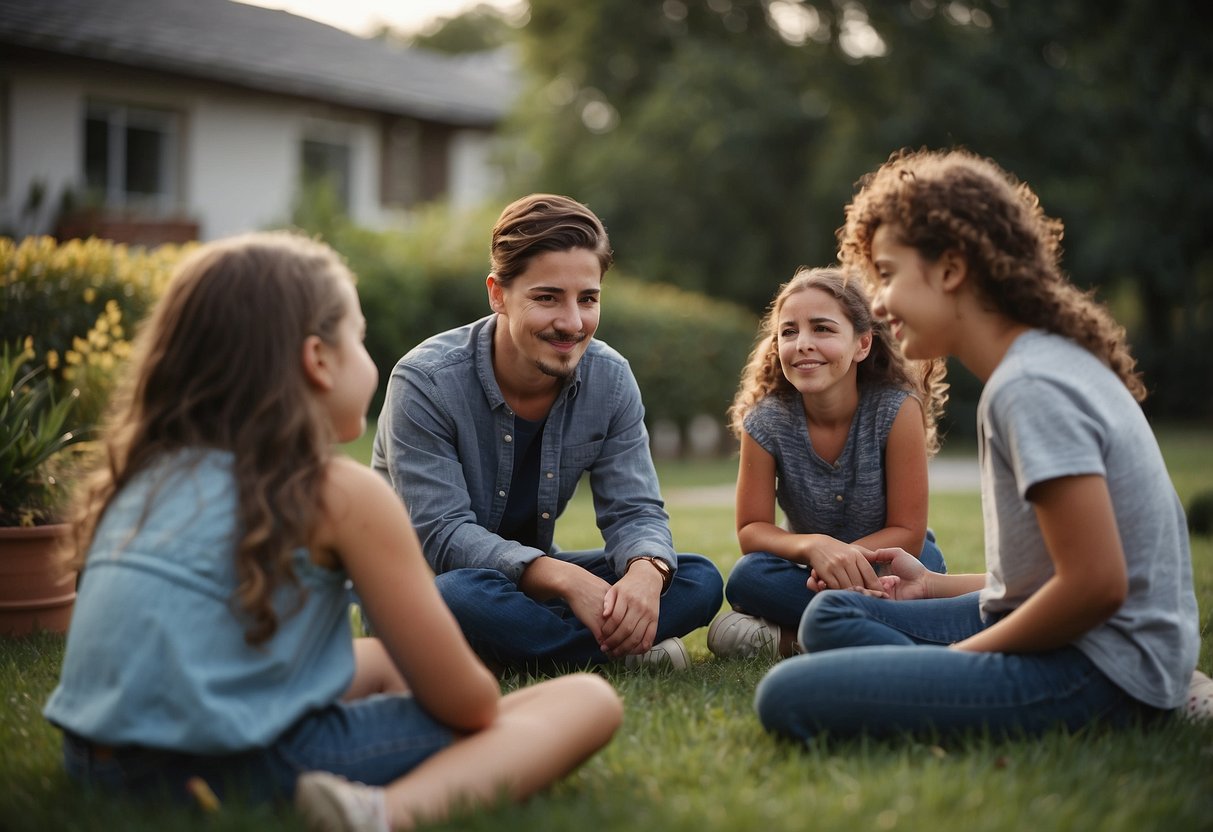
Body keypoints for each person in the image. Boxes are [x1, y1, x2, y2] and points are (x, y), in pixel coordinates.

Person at [42, 232, 623, 831]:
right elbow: (472, 706)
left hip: (94, 759)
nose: (370, 361)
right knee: (585, 701)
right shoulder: (337, 491)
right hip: (224, 767)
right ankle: (378, 814)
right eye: (361, 339)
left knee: (375, 661)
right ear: (318, 360)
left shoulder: (145, 474)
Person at [754, 148, 1202, 741]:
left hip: (1105, 669)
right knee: (834, 614)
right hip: (1079, 638)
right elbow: (1050, 578)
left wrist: (965, 665)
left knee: (789, 694)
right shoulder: (1038, 364)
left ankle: (960, 685)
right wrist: (930, 586)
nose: (880, 303)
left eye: (887, 274)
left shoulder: (1030, 386)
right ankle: (934, 677)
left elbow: (1095, 585)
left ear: (950, 269)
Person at [372, 194, 723, 673]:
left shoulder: (611, 378)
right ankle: (609, 649)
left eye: (588, 299)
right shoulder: (425, 381)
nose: (572, 323)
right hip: (431, 584)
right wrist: (565, 581)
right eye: (547, 297)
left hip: (528, 587)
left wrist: (646, 572)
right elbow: (443, 536)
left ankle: (528, 645)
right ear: (498, 294)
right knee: (457, 594)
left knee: (696, 577)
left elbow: (635, 510)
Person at [707, 267, 947, 661]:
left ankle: (789, 640)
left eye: (822, 329)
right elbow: (752, 530)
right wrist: (816, 548)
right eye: (789, 331)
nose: (802, 343)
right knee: (749, 577)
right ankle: (878, 631)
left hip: (886, 565)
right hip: (809, 574)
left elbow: (908, 531)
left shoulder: (897, 410)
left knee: (926, 567)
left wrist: (846, 563)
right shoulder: (766, 421)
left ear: (862, 344)